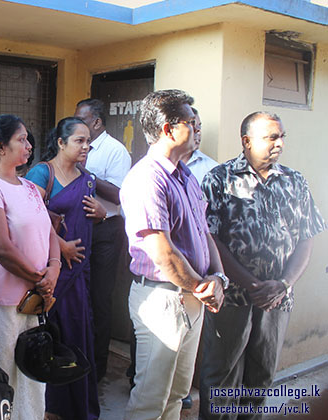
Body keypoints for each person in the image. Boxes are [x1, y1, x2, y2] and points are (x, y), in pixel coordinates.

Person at [199, 112, 326, 419]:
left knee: (261, 376)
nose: (279, 144)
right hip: (232, 298)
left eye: (282, 137)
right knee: (222, 375)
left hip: (277, 299)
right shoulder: (219, 179)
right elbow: (210, 238)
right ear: (247, 141)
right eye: (272, 137)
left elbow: (305, 238)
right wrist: (250, 283)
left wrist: (283, 284)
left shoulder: (294, 181)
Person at [120, 89, 227, 420]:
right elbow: (163, 253)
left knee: (178, 395)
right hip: (162, 300)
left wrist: (219, 278)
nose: (197, 129)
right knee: (151, 399)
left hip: (190, 297)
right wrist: (202, 287)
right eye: (192, 123)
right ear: (168, 129)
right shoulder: (148, 178)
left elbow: (203, 233)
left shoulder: (186, 175)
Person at [0, 114, 61, 420]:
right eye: (21, 139)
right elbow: (0, 247)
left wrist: (54, 268)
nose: (29, 145)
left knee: (33, 368)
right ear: (0, 147)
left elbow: (49, 232)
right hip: (2, 297)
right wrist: (39, 278)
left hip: (34, 298)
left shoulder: (30, 188)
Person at [26, 117, 104, 420]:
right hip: (50, 271)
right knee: (48, 336)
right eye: (79, 141)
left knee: (77, 335)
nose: (85, 147)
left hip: (78, 276)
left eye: (88, 142)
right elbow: (29, 217)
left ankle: (73, 407)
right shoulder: (41, 173)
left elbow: (86, 216)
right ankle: (44, 407)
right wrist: (60, 244)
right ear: (61, 142)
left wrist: (102, 214)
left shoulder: (87, 179)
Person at [74, 98, 132, 380]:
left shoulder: (114, 151)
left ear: (96, 122)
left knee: (100, 298)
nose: (76, 124)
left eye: (81, 119)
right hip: (78, 230)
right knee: (79, 296)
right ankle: (78, 358)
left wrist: (87, 175)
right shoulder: (76, 145)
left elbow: (120, 195)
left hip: (106, 231)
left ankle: (97, 367)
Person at [181, 107, 218, 185]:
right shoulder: (158, 166)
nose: (198, 132)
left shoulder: (212, 169)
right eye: (192, 125)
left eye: (199, 126)